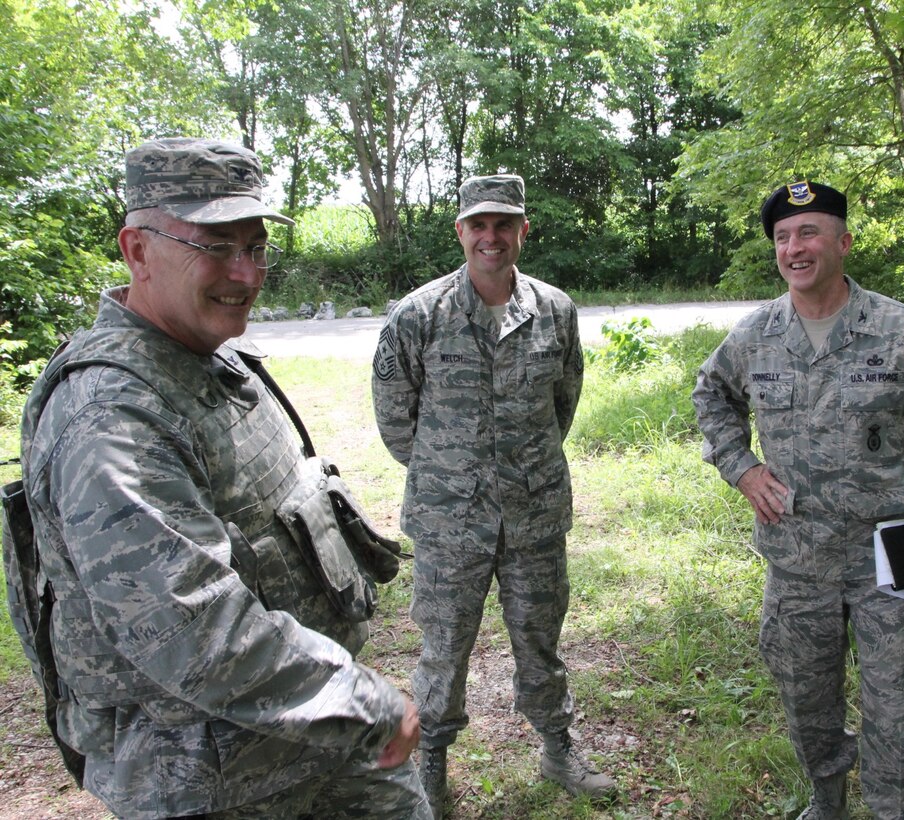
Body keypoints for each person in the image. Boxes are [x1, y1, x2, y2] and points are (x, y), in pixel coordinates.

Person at [18, 137, 430, 819]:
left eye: (256, 246)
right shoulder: (112, 413)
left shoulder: (206, 359)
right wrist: (360, 701)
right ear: (138, 251)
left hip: (310, 743)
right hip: (208, 781)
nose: (245, 273)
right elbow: (188, 625)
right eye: (214, 246)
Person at [691, 181, 904, 819]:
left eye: (809, 232)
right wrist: (742, 468)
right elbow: (710, 395)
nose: (794, 248)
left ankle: (894, 810)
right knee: (807, 703)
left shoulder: (899, 330)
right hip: (798, 559)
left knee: (896, 709)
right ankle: (828, 800)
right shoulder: (756, 334)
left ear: (844, 242)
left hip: (891, 560)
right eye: (782, 238)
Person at [371, 174, 616, 817]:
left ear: (522, 231)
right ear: (460, 232)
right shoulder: (417, 314)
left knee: (540, 640)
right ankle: (431, 762)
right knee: (443, 649)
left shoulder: (555, 310)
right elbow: (395, 419)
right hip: (450, 520)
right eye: (478, 225)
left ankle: (558, 747)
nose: (491, 236)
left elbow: (563, 403)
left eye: (503, 224)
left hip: (534, 514)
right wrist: (453, 473)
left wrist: (518, 468)